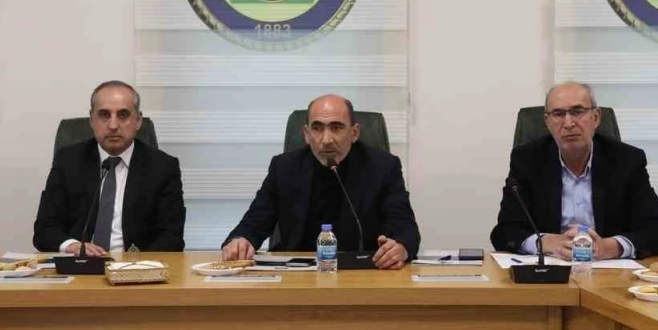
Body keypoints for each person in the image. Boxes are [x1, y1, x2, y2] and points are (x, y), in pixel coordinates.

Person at [221, 94, 419, 269]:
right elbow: (255, 220)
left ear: (354, 133)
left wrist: (400, 247)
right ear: (307, 134)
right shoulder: (284, 168)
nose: (326, 140)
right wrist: (240, 240)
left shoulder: (383, 167)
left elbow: (404, 226)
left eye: (336, 127)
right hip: (296, 276)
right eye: (317, 128)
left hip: (362, 272)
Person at [491, 81, 658, 259]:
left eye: (577, 112)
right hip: (552, 268)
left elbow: (657, 232)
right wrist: (544, 242)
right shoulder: (527, 160)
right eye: (558, 114)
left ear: (596, 117)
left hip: (609, 269)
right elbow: (504, 232)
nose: (569, 123)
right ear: (547, 121)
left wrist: (611, 247)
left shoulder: (627, 161)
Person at [33, 81, 184, 255]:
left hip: (136, 266)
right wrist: (72, 246)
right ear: (92, 120)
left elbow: (172, 238)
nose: (113, 125)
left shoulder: (163, 167)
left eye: (123, 115)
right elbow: (44, 230)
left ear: (138, 120)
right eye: (104, 115)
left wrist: (136, 264)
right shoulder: (68, 161)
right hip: (81, 264)